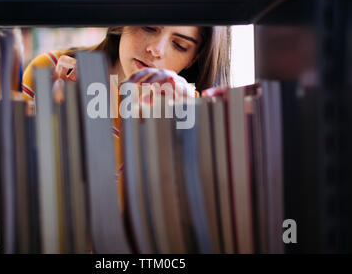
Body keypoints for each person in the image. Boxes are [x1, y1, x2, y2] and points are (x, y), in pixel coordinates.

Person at [21, 26, 231, 240]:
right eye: (149, 27)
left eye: (179, 45)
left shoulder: (195, 110)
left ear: (193, 58)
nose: (155, 49)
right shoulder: (50, 72)